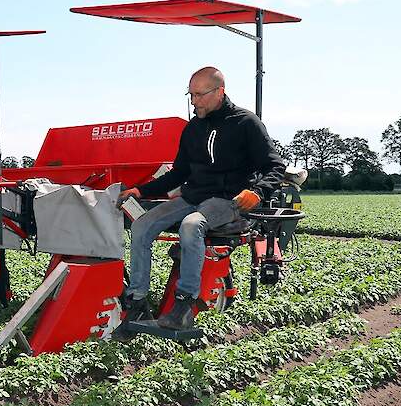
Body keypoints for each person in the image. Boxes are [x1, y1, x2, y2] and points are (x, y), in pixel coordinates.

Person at [117, 66, 285, 330]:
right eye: (190, 95)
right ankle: (137, 301)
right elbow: (180, 172)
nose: (194, 101)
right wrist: (142, 190)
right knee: (141, 226)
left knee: (191, 225)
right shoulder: (194, 128)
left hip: (229, 200)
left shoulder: (246, 123)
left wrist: (258, 192)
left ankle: (184, 306)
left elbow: (275, 166)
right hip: (194, 196)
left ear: (220, 92)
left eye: (199, 95)